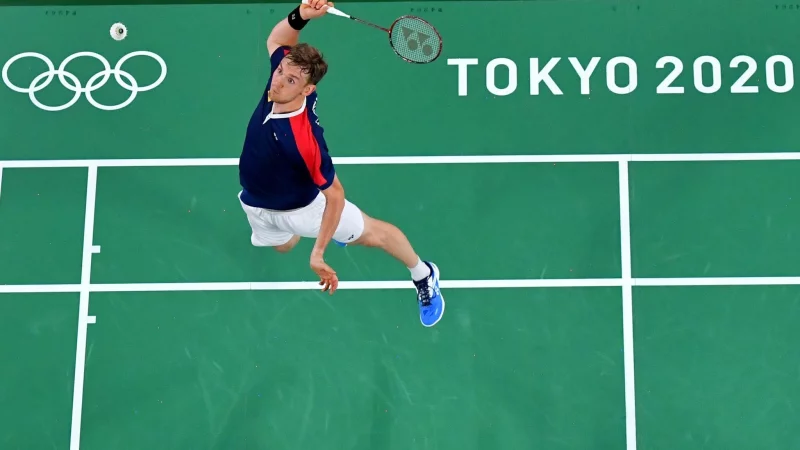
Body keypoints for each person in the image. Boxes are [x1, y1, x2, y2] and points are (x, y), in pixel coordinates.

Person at [236, 0, 445, 327]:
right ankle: (328, 230)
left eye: (290, 81)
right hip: (256, 203)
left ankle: (424, 274)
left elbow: (334, 194)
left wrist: (318, 252)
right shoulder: (280, 80)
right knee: (282, 246)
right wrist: (302, 14)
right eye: (280, 72)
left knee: (371, 233)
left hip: (307, 210)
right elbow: (277, 42)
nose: (277, 81)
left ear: (308, 89)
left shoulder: (303, 141)